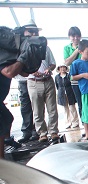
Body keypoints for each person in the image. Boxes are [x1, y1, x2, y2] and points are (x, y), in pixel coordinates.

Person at [1, 24, 47, 158]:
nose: (32, 36)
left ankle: (4, 149)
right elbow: (9, 72)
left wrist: (27, 57)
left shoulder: (13, 53)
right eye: (29, 33)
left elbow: (25, 73)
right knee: (2, 123)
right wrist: (24, 57)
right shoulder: (2, 51)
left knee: (7, 119)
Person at [25, 21, 59, 143]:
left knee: (52, 109)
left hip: (48, 80)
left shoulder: (46, 47)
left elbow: (53, 63)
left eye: (35, 31)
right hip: (33, 82)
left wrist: (48, 69)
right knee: (37, 110)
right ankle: (42, 133)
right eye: (31, 31)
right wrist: (33, 72)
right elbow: (22, 66)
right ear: (26, 33)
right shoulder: (25, 47)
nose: (34, 33)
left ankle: (53, 131)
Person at [54, 63, 79, 129]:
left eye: (63, 67)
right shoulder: (57, 77)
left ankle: (75, 122)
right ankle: (68, 122)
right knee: (65, 109)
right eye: (61, 67)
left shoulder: (69, 76)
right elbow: (57, 86)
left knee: (72, 108)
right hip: (62, 94)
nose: (62, 69)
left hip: (70, 93)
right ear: (59, 69)